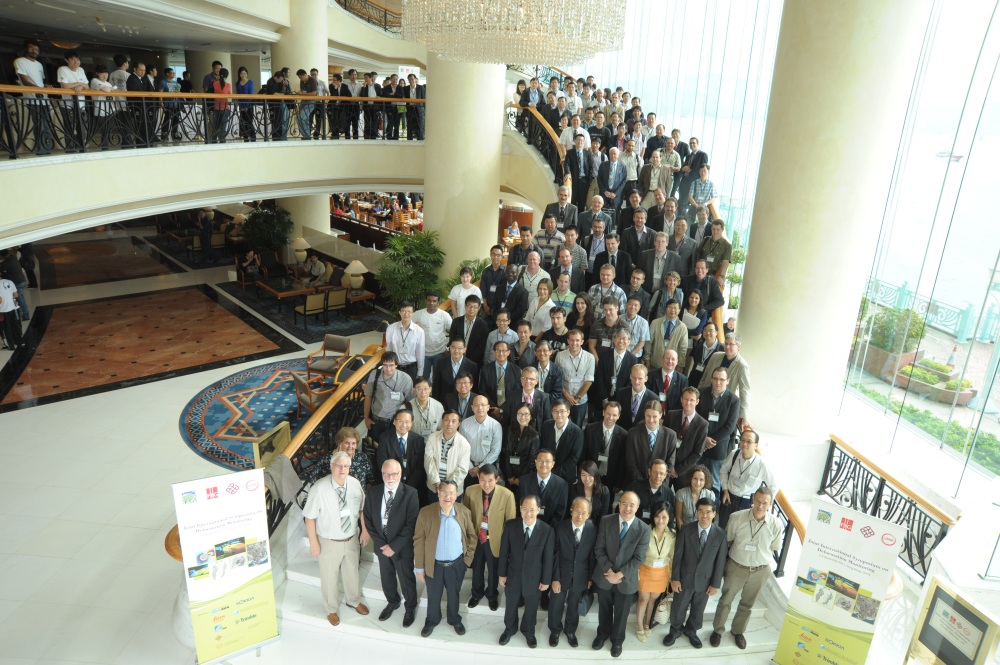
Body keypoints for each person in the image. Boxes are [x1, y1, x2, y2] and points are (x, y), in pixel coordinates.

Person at [303, 451, 371, 627]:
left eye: (346, 466)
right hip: (329, 542)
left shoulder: (355, 484)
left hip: (351, 538)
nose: (342, 469)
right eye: (338, 465)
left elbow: (362, 509)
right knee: (329, 577)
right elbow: (309, 517)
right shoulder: (319, 488)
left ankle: (353, 601)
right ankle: (331, 609)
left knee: (352, 572)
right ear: (331, 466)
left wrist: (365, 530)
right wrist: (313, 542)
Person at [710, 486, 783, 650]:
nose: (760, 506)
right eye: (758, 501)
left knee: (747, 604)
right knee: (725, 600)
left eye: (765, 503)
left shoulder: (776, 524)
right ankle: (717, 630)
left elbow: (774, 547)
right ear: (753, 500)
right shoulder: (736, 517)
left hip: (760, 570)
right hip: (736, 567)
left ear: (770, 504)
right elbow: (728, 541)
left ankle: (738, 631)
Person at [591, 490, 651, 658]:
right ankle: (602, 634)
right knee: (604, 609)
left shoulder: (643, 529)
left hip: (626, 580)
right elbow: (599, 549)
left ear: (637, 507)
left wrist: (619, 575)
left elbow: (639, 558)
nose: (627, 508)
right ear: (619, 504)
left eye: (632, 505)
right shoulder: (606, 521)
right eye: (624, 504)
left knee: (622, 612)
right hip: (605, 575)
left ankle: (617, 640)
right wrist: (610, 571)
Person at [414, 480, 477, 637]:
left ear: (456, 495)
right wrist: (419, 567)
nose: (447, 497)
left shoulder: (464, 512)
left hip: (457, 565)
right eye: (444, 493)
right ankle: (432, 620)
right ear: (438, 493)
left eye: (451, 493)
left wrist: (466, 561)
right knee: (433, 595)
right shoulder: (426, 512)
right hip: (434, 565)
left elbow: (472, 537)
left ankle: (454, 619)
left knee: (454, 595)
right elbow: (419, 541)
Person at [664, 497, 728, 648]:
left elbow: (720, 561)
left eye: (708, 512)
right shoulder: (686, 529)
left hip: (705, 581)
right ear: (696, 512)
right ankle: (675, 630)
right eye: (701, 511)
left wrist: (715, 584)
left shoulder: (720, 534)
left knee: (698, 608)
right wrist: (675, 578)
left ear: (714, 514)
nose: (704, 515)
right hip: (684, 578)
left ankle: (691, 630)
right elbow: (678, 556)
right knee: (679, 606)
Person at [363, 459, 419, 625]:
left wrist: (393, 546)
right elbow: (368, 520)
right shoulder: (373, 492)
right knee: (386, 577)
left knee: (406, 578)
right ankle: (393, 601)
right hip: (381, 546)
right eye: (386, 474)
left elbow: (411, 524)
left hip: (401, 547)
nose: (390, 477)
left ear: (400, 474)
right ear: (382, 474)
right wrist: (382, 544)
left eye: (394, 474)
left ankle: (410, 607)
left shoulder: (410, 493)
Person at [497, 494, 555, 649]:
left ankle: (529, 631)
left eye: (532, 509)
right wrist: (502, 574)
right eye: (524, 509)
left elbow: (548, 558)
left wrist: (546, 580)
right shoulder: (510, 526)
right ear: (520, 509)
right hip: (513, 575)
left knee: (531, 607)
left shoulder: (547, 530)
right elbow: (504, 552)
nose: (528, 513)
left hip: (534, 578)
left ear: (538, 510)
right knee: (511, 604)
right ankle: (509, 629)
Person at [463, 463, 517, 613]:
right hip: (477, 538)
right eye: (482, 480)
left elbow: (510, 523)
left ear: (497, 479)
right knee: (477, 568)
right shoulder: (470, 491)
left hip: (495, 539)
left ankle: (492, 595)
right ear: (478, 478)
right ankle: (476, 594)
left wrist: (507, 546)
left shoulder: (507, 495)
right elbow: (466, 515)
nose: (486, 484)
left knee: (493, 570)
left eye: (490, 480)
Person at [547, 497, 597, 647]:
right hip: (561, 574)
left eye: (583, 513)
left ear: (588, 515)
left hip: (581, 575)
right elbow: (554, 554)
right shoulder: (560, 527)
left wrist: (589, 578)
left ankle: (570, 631)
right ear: (571, 510)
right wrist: (555, 578)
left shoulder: (592, 530)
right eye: (577, 511)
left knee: (574, 605)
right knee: (556, 604)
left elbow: (591, 556)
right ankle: (555, 631)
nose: (579, 516)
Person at [696, 367, 742, 496]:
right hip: (699, 445)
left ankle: (712, 507)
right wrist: (704, 438)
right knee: (695, 480)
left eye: (722, 379)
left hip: (718, 449)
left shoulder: (734, 400)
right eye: (715, 379)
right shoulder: (701, 393)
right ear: (711, 379)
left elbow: (730, 426)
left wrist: (711, 440)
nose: (718, 382)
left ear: (728, 381)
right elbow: (695, 417)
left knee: (714, 483)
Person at [719, 428, 778, 524]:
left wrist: (765, 504)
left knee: (740, 529)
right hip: (728, 498)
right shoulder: (734, 454)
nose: (744, 444)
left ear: (756, 445)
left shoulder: (761, 464)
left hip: (746, 503)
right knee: (723, 525)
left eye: (749, 442)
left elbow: (774, 485)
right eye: (742, 440)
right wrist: (725, 490)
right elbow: (723, 471)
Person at [635, 502, 675, 641]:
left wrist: (670, 576)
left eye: (664, 517)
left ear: (669, 518)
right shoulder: (645, 530)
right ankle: (639, 626)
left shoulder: (672, 535)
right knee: (643, 599)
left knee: (653, 599)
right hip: (645, 569)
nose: (660, 521)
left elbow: (671, 556)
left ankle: (647, 623)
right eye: (657, 516)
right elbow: (638, 553)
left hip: (662, 572)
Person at [376, 409, 428, 506]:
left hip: (413, 486)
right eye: (400, 421)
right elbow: (382, 463)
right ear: (394, 422)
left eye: (407, 422)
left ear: (411, 423)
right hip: (391, 484)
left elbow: (420, 467)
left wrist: (408, 487)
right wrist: (396, 484)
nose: (404, 425)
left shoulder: (419, 440)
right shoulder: (385, 438)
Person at [699, 333, 751, 429]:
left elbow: (745, 391)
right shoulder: (715, 356)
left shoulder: (742, 366)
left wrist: (743, 416)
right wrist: (698, 395)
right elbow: (705, 377)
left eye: (731, 344)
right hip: (707, 398)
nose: (727, 347)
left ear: (739, 346)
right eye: (726, 343)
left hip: (724, 403)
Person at [623, 398, 678, 487]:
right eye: (648, 416)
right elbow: (631, 464)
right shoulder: (633, 433)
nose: (651, 420)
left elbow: (670, 465)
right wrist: (643, 484)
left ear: (660, 415)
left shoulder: (671, 435)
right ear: (644, 414)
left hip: (661, 484)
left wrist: (657, 483)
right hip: (638, 484)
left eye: (654, 416)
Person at [363, 352, 414, 444]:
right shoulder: (375, 375)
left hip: (394, 422)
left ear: (396, 365)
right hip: (376, 421)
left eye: (391, 365)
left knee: (393, 447)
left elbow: (410, 402)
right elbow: (368, 396)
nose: (388, 369)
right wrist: (366, 418)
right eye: (385, 365)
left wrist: (407, 424)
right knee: (376, 446)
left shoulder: (406, 379)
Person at [14, 39, 52, 156]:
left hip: (43, 98)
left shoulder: (39, 64)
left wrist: (45, 87)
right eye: (31, 48)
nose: (34, 51)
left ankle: (47, 148)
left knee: (47, 125)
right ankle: (42, 150)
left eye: (36, 49)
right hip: (32, 98)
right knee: (38, 125)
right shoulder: (20, 61)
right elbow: (25, 81)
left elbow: (40, 81)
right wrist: (39, 89)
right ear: (26, 49)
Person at [665, 387, 710, 487]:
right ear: (681, 399)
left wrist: (678, 470)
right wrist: (669, 467)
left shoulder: (703, 424)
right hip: (666, 468)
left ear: (697, 401)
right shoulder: (671, 415)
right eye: (686, 399)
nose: (688, 402)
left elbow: (697, 453)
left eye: (692, 400)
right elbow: (663, 442)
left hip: (685, 472)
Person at [459, 395, 503, 489]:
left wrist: (480, 468)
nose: (480, 408)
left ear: (488, 407)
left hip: (488, 467)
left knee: (487, 493)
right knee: (469, 493)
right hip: (469, 468)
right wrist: (470, 467)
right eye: (476, 405)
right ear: (472, 407)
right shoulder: (464, 424)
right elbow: (461, 448)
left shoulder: (496, 426)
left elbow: (495, 450)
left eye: (483, 405)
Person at [539, 399, 584, 488]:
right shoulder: (546, 425)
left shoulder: (577, 432)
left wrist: (553, 473)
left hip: (565, 476)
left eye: (562, 411)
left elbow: (573, 458)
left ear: (568, 412)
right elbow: (542, 447)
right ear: (552, 412)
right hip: (546, 472)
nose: (559, 414)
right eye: (555, 411)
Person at [518, 448, 567, 526]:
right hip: (527, 524)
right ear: (535, 462)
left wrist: (548, 529)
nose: (544, 464)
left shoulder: (561, 484)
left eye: (547, 461)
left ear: (553, 464)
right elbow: (520, 506)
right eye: (540, 461)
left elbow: (560, 512)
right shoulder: (524, 481)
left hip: (551, 528)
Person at [413, 291, 452, 380]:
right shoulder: (417, 314)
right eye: (429, 300)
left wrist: (449, 348)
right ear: (425, 301)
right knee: (423, 379)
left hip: (440, 353)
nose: (431, 303)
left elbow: (453, 331)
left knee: (438, 379)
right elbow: (408, 329)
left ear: (438, 302)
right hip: (423, 353)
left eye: (434, 301)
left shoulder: (444, 315)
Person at [385, 301, 425, 379]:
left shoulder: (419, 331)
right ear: (400, 313)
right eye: (403, 311)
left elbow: (420, 353)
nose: (406, 314)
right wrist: (388, 368)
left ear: (413, 314)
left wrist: (420, 372)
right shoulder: (391, 328)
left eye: (409, 312)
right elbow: (389, 350)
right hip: (395, 368)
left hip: (411, 368)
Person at [613, 364, 658, 432]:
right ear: (630, 376)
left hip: (641, 435)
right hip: (622, 434)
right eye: (634, 377)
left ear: (646, 378)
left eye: (640, 378)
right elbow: (616, 415)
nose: (636, 381)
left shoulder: (653, 398)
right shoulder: (621, 393)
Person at [675, 464, 716, 529]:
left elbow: (710, 518)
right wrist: (684, 533)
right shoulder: (681, 494)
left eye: (701, 480)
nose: (698, 483)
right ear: (690, 479)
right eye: (695, 479)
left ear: (705, 481)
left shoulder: (710, 495)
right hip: (685, 530)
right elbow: (678, 518)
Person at [573, 460, 611, 526]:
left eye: (590, 475)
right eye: (583, 475)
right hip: (577, 523)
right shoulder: (574, 489)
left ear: (595, 475)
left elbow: (603, 515)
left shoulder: (604, 491)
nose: (587, 479)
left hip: (596, 525)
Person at [686, 321, 722, 387]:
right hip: (694, 379)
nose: (707, 333)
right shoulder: (699, 345)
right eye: (705, 330)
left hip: (709, 381)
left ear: (716, 332)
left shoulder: (721, 349)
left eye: (711, 330)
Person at [209, 68, 232, 144]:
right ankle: (222, 142)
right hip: (225, 108)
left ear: (219, 74)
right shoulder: (228, 85)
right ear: (226, 76)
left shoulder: (214, 83)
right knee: (223, 127)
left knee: (216, 126)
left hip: (216, 107)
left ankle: (214, 141)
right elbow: (230, 95)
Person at [0, 277, 24, 349]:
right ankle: (20, 342)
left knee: (5, 328)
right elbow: (16, 295)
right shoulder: (10, 281)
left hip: (3, 310)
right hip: (13, 308)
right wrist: (9, 299)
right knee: (16, 326)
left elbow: (0, 300)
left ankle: (11, 346)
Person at [235, 66, 256, 142]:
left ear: (247, 74)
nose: (243, 75)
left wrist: (246, 106)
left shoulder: (250, 82)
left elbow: (250, 95)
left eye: (245, 73)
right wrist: (241, 106)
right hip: (241, 106)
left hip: (249, 106)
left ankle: (253, 138)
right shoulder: (238, 83)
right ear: (239, 74)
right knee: (243, 122)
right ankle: (245, 138)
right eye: (242, 73)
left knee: (249, 122)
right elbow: (238, 96)